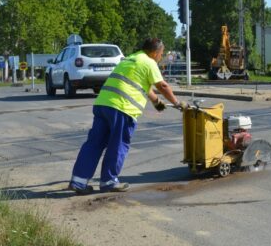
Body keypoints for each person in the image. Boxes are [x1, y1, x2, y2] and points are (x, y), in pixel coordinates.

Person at [68, 38, 187, 195]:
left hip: (103, 104)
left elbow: (141, 85)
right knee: (118, 144)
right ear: (155, 52)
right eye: (161, 54)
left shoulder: (131, 59)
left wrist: (156, 101)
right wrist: (177, 103)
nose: (160, 57)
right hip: (122, 108)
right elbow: (162, 85)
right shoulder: (149, 62)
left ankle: (79, 181)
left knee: (94, 143)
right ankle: (109, 181)